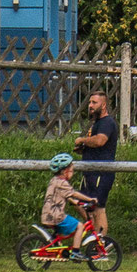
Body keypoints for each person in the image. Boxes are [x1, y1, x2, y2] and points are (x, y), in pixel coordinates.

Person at [72, 90, 117, 237]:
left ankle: (101, 247)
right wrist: (83, 149)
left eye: (94, 103)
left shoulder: (107, 122)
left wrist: (82, 140)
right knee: (76, 200)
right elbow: (96, 144)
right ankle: (94, 233)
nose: (90, 106)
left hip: (101, 172)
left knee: (98, 208)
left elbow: (100, 141)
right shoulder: (97, 123)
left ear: (103, 105)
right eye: (90, 102)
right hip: (89, 172)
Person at [41, 153, 100, 253]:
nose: (73, 173)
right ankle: (75, 252)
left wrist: (75, 202)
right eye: (72, 170)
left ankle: (57, 247)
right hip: (56, 216)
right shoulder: (63, 183)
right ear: (65, 171)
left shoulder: (54, 181)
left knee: (64, 233)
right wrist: (90, 200)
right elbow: (74, 193)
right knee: (79, 226)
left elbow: (66, 196)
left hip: (47, 214)